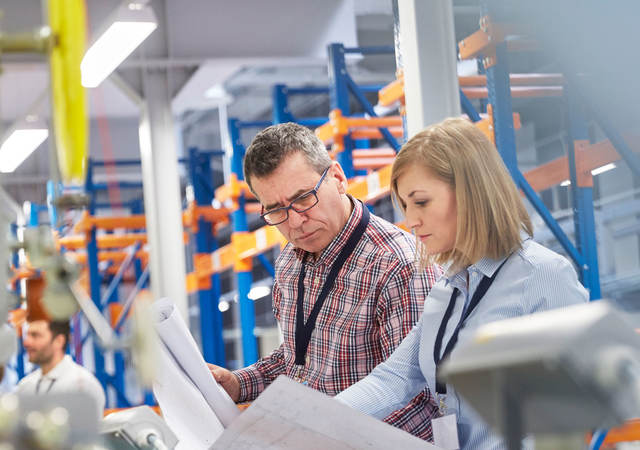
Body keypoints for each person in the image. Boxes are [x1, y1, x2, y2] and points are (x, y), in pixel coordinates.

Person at [335, 117, 589, 449]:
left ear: (470, 193)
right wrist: (305, 417)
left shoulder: (542, 275)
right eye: (406, 206)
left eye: (421, 202)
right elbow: (393, 379)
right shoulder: (447, 291)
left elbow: (568, 419)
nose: (411, 220)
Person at [210, 122, 441, 439]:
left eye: (303, 198)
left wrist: (323, 433)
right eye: (276, 210)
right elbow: (297, 360)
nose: (294, 222)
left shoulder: (398, 267)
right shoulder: (291, 261)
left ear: (337, 178)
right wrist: (238, 384)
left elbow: (420, 401)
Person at [15, 319, 106, 419]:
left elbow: (90, 433)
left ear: (59, 341)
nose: (27, 343)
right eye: (27, 335)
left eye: (35, 335)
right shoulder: (25, 386)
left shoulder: (83, 385)